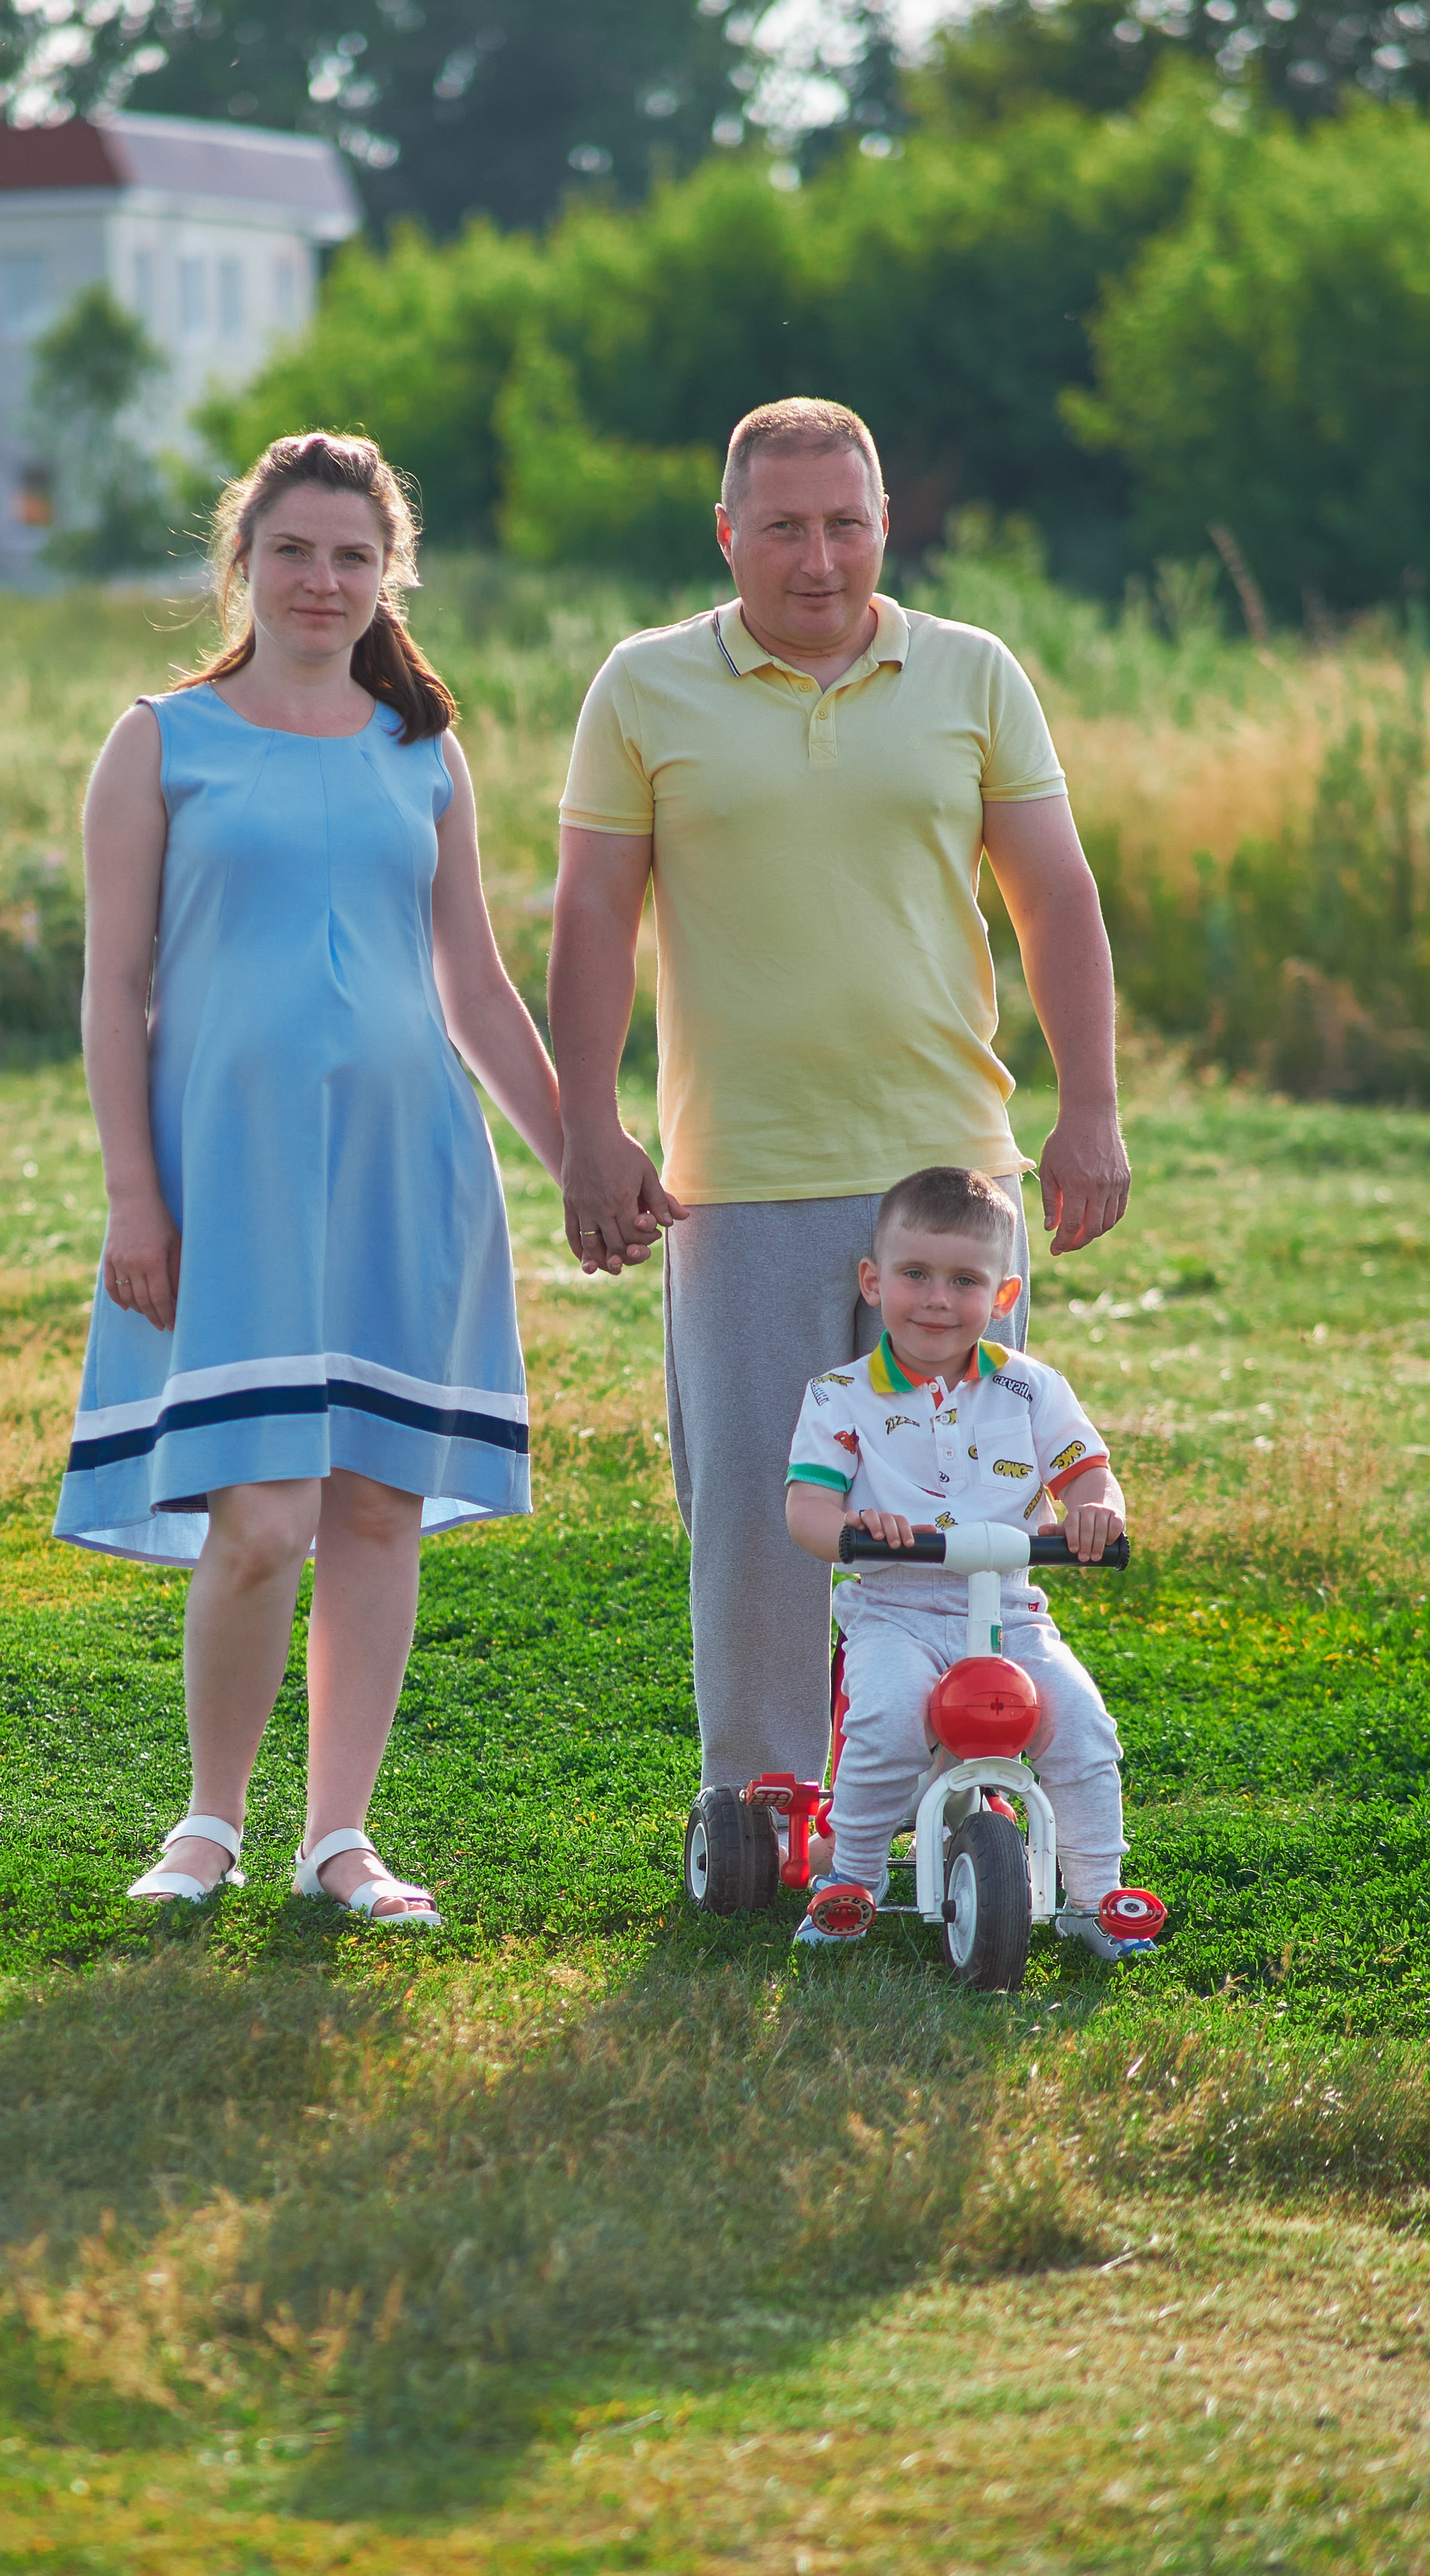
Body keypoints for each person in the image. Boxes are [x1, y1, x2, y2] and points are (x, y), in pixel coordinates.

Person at [550, 395, 1130, 1815]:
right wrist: (588, 1130)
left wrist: (1089, 1110)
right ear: (727, 534)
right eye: (784, 528)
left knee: (962, 1511)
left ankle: (952, 1791)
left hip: (946, 1179)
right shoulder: (642, 685)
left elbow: (1053, 896)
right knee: (759, 1516)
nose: (818, 560)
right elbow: (588, 917)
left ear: (883, 522)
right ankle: (761, 1802)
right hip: (735, 1175)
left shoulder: (971, 672)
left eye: (846, 524)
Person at [54, 432, 561, 1925]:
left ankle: (338, 1837)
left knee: (375, 1513)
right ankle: (207, 1820)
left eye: (352, 556)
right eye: (295, 551)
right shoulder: (162, 740)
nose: (322, 581)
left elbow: (473, 986)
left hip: (408, 1174)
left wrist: (581, 1155)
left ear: (386, 572)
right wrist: (133, 1198)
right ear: (244, 562)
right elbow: (112, 990)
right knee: (262, 1515)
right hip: (232, 1181)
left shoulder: (424, 749)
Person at [781, 1165, 1152, 1961]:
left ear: (1003, 1297)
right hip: (895, 1612)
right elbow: (805, 1511)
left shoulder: (1030, 1390)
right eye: (914, 1275)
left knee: (1082, 1725)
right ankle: (849, 1881)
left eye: (964, 1280)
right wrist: (850, 1527)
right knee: (884, 1719)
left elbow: (1088, 1472)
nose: (937, 1300)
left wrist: (1097, 1509)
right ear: (872, 1283)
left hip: (1010, 1612)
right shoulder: (838, 1396)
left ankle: (1095, 1898)